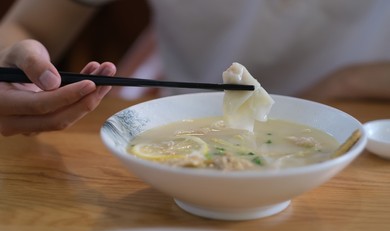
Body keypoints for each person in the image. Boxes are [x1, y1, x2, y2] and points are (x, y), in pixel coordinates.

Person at [1, 0, 389, 137]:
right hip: (184, 138)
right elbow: (26, 27)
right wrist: (18, 68)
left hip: (365, 137)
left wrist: (348, 81)